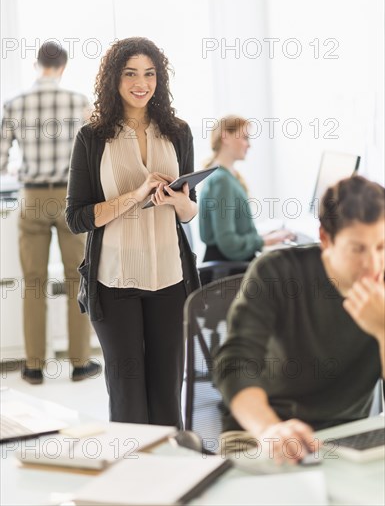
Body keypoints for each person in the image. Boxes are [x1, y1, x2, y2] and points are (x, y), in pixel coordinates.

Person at [65, 37, 200, 427]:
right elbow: (77, 217)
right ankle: (131, 480)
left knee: (166, 397)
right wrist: (137, 195)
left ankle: (170, 481)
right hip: (114, 284)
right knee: (128, 398)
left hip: (169, 280)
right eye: (130, 74)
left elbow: (190, 211)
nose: (141, 83)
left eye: (149, 73)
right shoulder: (92, 138)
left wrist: (177, 202)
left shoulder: (178, 131)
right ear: (114, 79)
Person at [213, 175, 385, 463]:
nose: (373, 264)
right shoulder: (277, 272)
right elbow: (235, 362)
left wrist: (382, 330)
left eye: (381, 247)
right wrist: (270, 429)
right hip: (262, 430)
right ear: (326, 239)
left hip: (347, 436)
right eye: (358, 249)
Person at [0, 41, 99, 385]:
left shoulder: (14, 103)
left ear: (36, 64)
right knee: (77, 278)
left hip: (32, 197)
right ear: (63, 66)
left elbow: (0, 159)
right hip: (70, 197)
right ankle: (80, 363)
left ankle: (33, 367)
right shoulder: (78, 102)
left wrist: (16, 170)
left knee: (33, 283)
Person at [199, 115, 294, 262]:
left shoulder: (228, 176)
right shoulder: (221, 181)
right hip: (228, 273)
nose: (249, 145)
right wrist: (264, 241)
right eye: (245, 137)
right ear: (225, 137)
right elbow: (228, 243)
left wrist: (266, 237)